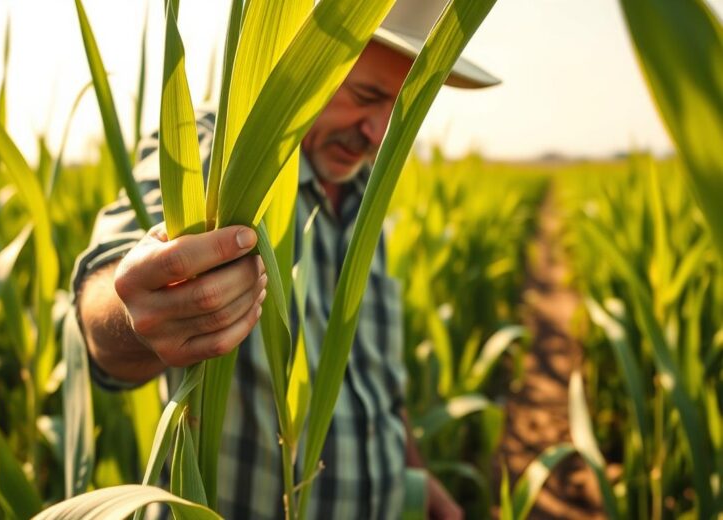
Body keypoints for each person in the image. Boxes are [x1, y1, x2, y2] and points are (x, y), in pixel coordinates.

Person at [73, 0, 499, 518]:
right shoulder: (223, 152)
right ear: (304, 60)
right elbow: (110, 291)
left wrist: (420, 480)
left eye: (402, 108)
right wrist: (134, 314)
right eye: (365, 96)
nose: (378, 134)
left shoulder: (366, 188)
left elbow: (371, 378)